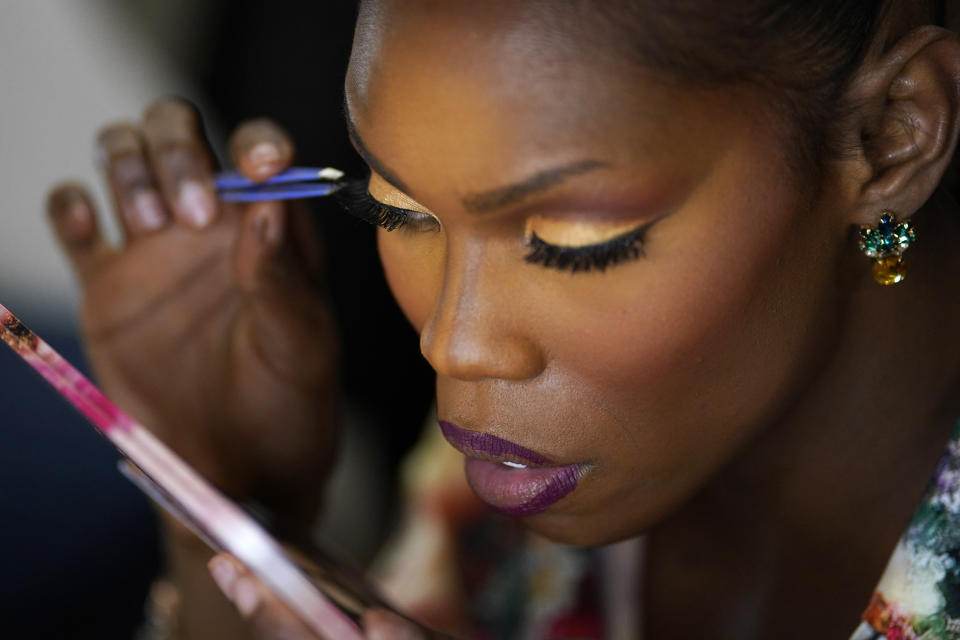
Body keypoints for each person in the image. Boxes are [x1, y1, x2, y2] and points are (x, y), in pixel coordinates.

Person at [45, 0, 960, 638]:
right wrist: (231, 500)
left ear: (890, 135)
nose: (454, 342)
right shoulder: (527, 473)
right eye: (399, 211)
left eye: (573, 241)